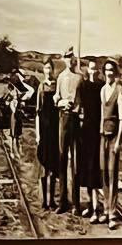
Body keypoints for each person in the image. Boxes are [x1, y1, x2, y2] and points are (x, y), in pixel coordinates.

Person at [73, 58, 103, 220]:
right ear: (88, 70)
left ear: (98, 71)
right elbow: (78, 106)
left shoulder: (101, 86)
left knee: (95, 170)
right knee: (86, 169)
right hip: (85, 132)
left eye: (96, 69)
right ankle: (91, 206)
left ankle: (96, 209)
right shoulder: (83, 86)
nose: (93, 71)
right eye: (91, 69)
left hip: (97, 132)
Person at [99, 58, 122, 230]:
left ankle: (113, 213)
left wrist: (118, 142)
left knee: (112, 175)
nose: (108, 73)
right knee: (103, 174)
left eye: (111, 70)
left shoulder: (119, 91)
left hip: (114, 137)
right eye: (106, 70)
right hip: (103, 136)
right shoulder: (102, 90)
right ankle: (105, 209)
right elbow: (102, 114)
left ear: (115, 72)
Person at [54, 47, 81, 213]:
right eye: (67, 57)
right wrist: (61, 102)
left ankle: (76, 203)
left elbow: (83, 101)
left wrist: (78, 109)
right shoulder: (61, 77)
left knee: (76, 162)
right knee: (62, 159)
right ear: (64, 59)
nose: (70, 60)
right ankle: (62, 202)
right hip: (63, 119)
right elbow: (56, 98)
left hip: (76, 121)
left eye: (72, 57)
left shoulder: (80, 78)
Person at [35, 58, 61, 210]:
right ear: (43, 70)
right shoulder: (41, 87)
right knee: (44, 166)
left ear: (53, 69)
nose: (48, 71)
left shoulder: (57, 86)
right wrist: (38, 134)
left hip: (55, 131)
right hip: (44, 131)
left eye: (50, 68)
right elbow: (37, 113)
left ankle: (52, 201)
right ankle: (44, 201)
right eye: (45, 68)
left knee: (53, 167)